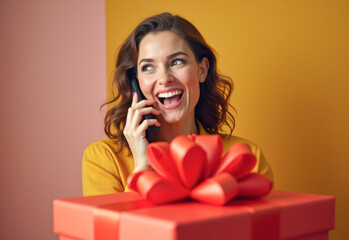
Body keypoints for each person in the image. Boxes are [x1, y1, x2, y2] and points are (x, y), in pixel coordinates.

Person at [82, 12, 273, 196]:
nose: (164, 78)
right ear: (136, 82)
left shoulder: (245, 158)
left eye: (177, 62)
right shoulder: (103, 159)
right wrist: (142, 167)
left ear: (202, 70)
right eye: (148, 67)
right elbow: (115, 230)